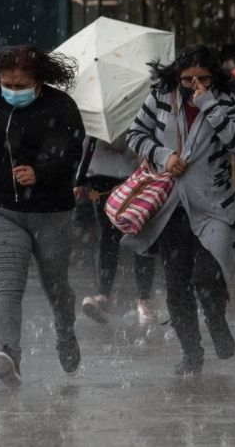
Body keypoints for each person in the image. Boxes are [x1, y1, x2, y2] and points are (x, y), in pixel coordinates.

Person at [0, 46, 86, 386]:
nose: (14, 91)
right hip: (2, 208)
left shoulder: (61, 106)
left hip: (52, 211)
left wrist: (41, 171)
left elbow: (73, 151)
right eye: (7, 84)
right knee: (8, 285)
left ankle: (65, 333)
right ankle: (10, 355)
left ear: (39, 79)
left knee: (56, 286)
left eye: (21, 84)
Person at [125, 45, 235, 376]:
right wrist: (163, 156)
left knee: (207, 276)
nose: (195, 85)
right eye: (187, 79)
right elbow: (135, 135)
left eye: (203, 79)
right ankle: (191, 352)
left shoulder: (225, 100)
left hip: (215, 205)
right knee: (177, 284)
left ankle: (216, 320)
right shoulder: (161, 98)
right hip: (170, 206)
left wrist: (209, 104)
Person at [74, 135, 158, 325]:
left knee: (138, 233)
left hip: (134, 175)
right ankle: (103, 295)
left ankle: (144, 298)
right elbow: (88, 141)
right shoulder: (96, 113)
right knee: (107, 235)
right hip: (100, 176)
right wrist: (80, 179)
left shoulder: (141, 109)